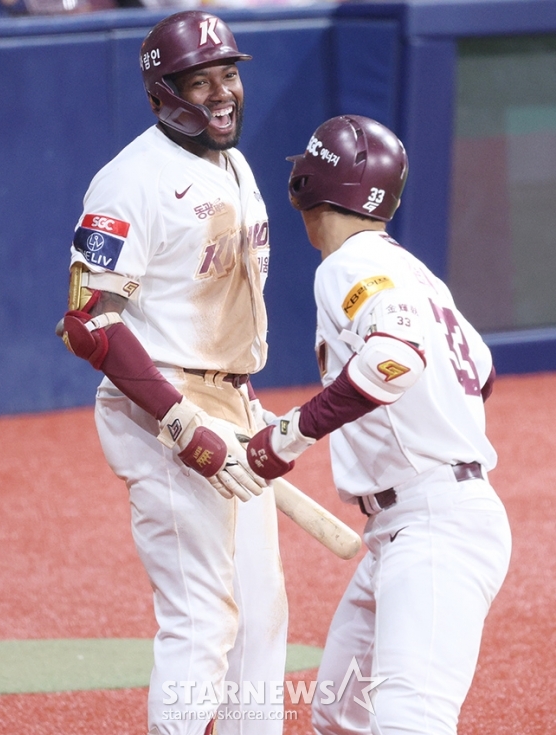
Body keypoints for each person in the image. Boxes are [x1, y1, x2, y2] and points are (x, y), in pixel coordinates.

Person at [56, 11, 287, 735]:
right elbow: (89, 322)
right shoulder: (129, 181)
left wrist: (242, 403)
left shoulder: (234, 162)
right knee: (200, 616)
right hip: (161, 411)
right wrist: (184, 427)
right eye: (201, 80)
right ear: (162, 95)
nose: (223, 93)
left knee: (261, 613)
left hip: (231, 401)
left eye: (230, 73)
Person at [245, 115, 512, 735]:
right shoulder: (413, 271)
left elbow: (397, 356)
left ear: (306, 186)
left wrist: (288, 437)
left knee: (408, 721)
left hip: (436, 526)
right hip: (410, 522)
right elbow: (482, 368)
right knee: (340, 715)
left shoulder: (347, 265)